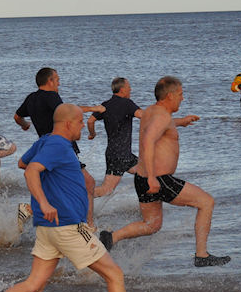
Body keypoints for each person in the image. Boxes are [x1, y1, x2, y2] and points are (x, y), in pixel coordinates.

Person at [0, 104, 136, 292]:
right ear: (69, 123)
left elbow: (23, 162)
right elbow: (31, 170)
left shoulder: (46, 141)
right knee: (114, 274)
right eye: (81, 122)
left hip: (48, 228)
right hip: (68, 226)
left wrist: (53, 184)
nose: (83, 126)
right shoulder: (58, 145)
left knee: (34, 284)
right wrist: (44, 201)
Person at [98, 76, 230, 267]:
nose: (182, 99)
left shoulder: (152, 111)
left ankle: (111, 237)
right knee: (206, 202)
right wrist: (153, 178)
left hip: (142, 178)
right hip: (158, 179)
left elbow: (158, 126)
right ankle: (201, 255)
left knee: (152, 224)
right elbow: (149, 140)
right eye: (180, 94)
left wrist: (180, 122)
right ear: (170, 96)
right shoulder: (161, 116)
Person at [14, 67, 103, 225]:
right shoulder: (51, 96)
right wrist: (93, 108)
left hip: (44, 144)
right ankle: (88, 224)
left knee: (60, 183)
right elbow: (68, 112)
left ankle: (32, 209)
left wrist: (25, 125)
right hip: (59, 145)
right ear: (50, 81)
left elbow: (17, 116)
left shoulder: (31, 98)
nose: (59, 83)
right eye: (57, 79)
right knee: (88, 182)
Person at [87, 77, 143, 197]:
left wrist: (92, 134)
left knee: (148, 173)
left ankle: (147, 203)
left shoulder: (106, 105)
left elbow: (90, 121)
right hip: (120, 156)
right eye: (129, 87)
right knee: (106, 190)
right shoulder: (127, 103)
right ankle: (76, 198)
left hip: (118, 154)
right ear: (122, 89)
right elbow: (143, 115)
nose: (130, 89)